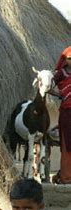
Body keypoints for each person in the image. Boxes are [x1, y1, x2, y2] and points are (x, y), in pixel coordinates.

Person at [53, 47, 71, 184]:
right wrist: (61, 95)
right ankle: (66, 178)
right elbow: (47, 86)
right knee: (67, 146)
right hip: (66, 113)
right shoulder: (61, 74)